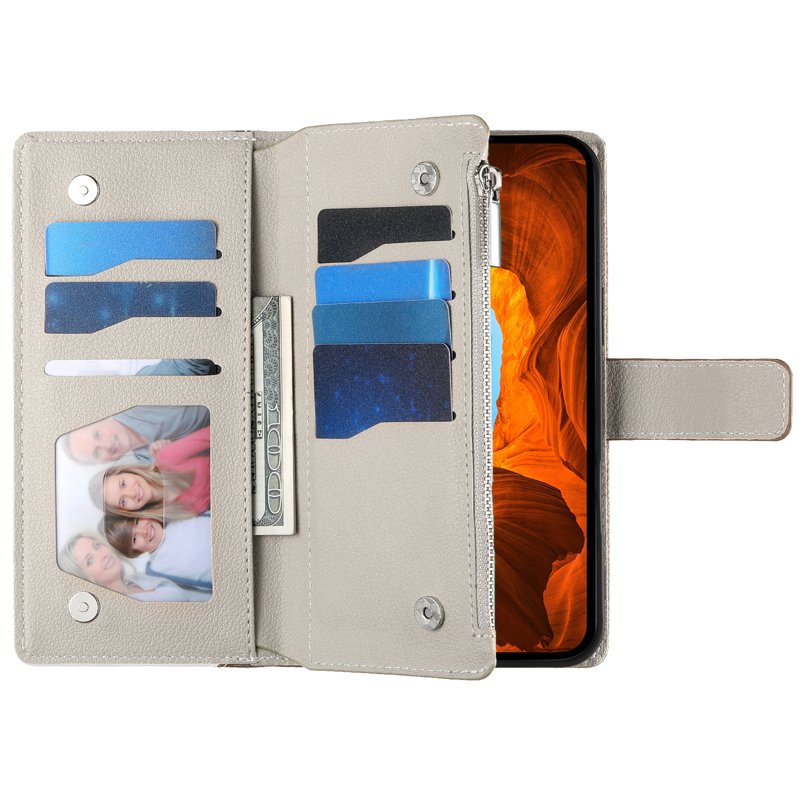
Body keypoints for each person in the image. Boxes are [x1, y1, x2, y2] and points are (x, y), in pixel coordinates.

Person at [89, 426, 211, 519]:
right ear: (128, 511)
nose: (132, 493)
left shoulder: (167, 457)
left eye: (123, 484)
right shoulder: (170, 517)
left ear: (128, 472)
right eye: (123, 501)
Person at [58, 530, 208, 602]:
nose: (102, 554)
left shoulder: (137, 579)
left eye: (97, 546)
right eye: (90, 561)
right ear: (84, 578)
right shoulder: (122, 611)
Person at [64, 405, 209, 464]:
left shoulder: (138, 394)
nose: (107, 445)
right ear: (104, 462)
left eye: (97, 434)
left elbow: (190, 365)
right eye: (97, 452)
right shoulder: (150, 466)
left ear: (101, 417)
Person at [104, 514, 212, 591]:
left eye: (137, 522)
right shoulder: (155, 570)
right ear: (134, 552)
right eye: (135, 539)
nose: (144, 531)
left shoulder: (177, 516)